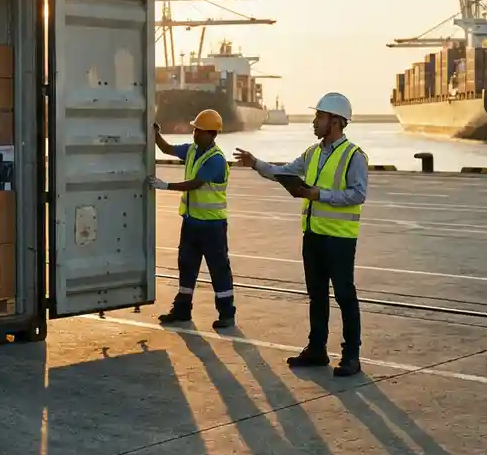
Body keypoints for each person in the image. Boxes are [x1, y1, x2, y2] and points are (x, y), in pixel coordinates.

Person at [233, 92, 367, 377]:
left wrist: (320, 194)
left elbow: (358, 194)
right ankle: (317, 350)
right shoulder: (312, 153)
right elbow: (283, 172)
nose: (314, 122)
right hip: (313, 235)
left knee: (345, 295)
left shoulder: (354, 156)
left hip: (340, 239)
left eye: (318, 116)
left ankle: (351, 356)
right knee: (317, 295)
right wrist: (256, 163)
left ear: (335, 122)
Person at [147, 109, 236, 330]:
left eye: (199, 131)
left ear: (212, 134)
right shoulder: (191, 150)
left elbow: (195, 183)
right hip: (191, 222)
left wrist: (166, 185)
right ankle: (182, 310)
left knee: (218, 269)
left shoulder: (216, 160)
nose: (195, 134)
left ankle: (226, 313)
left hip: (212, 225)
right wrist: (156, 134)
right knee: (186, 266)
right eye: (195, 129)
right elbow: (167, 148)